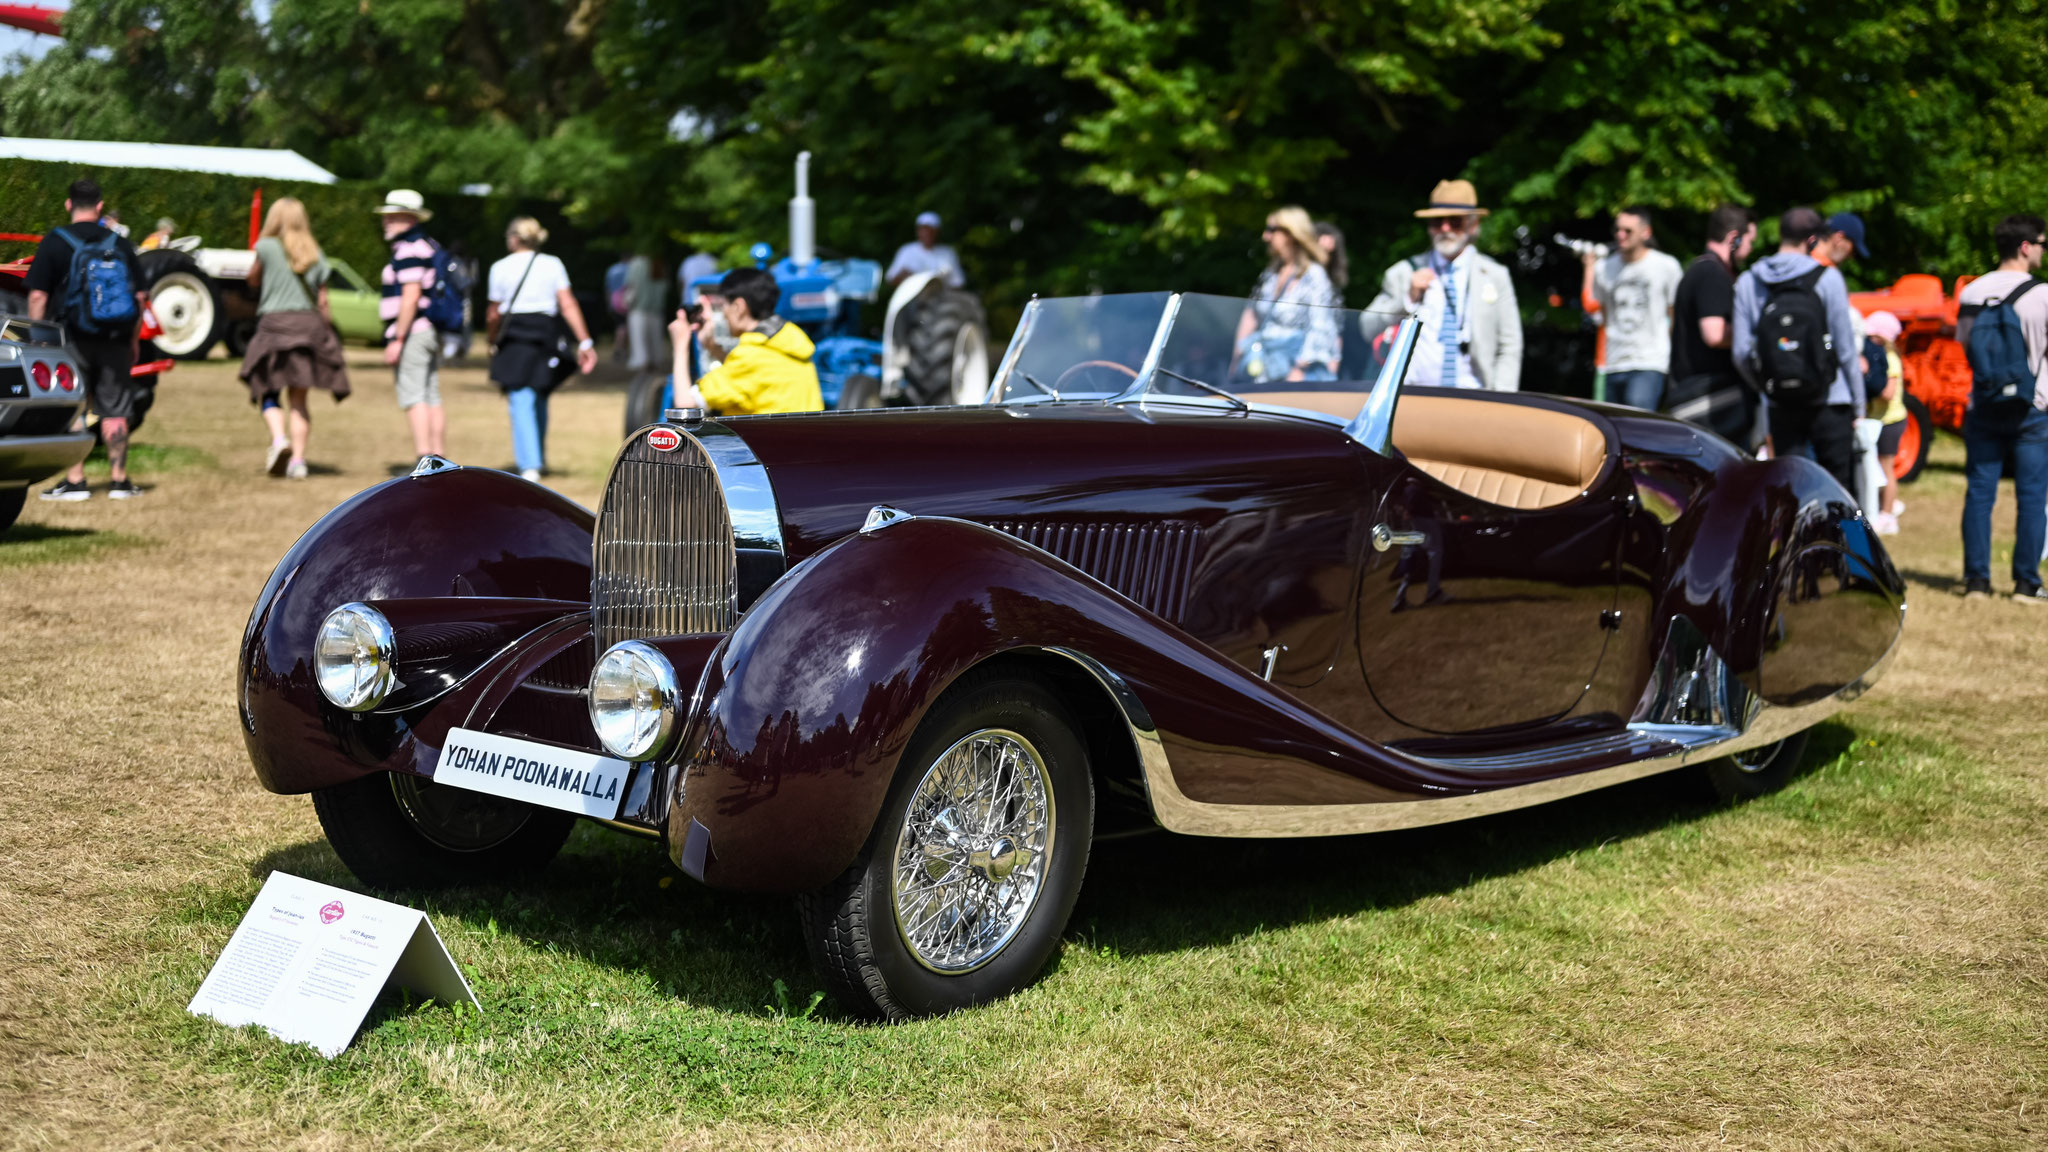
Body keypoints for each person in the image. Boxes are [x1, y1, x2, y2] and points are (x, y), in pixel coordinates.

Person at [28, 177, 148, 501]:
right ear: (100, 206)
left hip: (71, 339)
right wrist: (133, 339)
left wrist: (37, 338)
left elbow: (38, 296)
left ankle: (76, 481)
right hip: (116, 338)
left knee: (75, 406)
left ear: (68, 204)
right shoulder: (119, 242)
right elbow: (139, 297)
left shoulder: (55, 241)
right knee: (115, 408)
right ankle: (120, 482)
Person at [1732, 207, 1864, 494]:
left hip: (1780, 403)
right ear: (1813, 240)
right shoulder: (1828, 278)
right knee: (1840, 491)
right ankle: (1844, 527)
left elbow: (1741, 352)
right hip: (1831, 400)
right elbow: (1845, 350)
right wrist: (1859, 405)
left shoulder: (1748, 282)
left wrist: (1766, 386)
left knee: (1791, 490)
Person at [1954, 214, 2048, 602]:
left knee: (1980, 492)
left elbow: (1965, 346)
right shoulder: (2042, 294)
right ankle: (2026, 583)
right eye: (2042, 244)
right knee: (2032, 496)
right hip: (2032, 407)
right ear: (2025, 247)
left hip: (1984, 403)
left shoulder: (1971, 292)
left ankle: (1976, 581)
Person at [1360, 179, 1523, 391]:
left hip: (1475, 397)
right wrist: (1406, 300)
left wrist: (1502, 399)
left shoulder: (1495, 275)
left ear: (1473, 225)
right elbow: (1366, 327)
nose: (1445, 228)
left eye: (1455, 221)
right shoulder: (1404, 272)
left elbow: (1510, 344)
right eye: (1437, 221)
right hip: (1413, 396)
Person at [239, 197, 351, 480]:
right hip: (308, 327)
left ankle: (279, 441)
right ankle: (298, 462)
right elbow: (323, 301)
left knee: (267, 389)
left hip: (275, 326)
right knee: (299, 400)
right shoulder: (315, 251)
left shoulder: (266, 247)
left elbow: (253, 279)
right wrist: (327, 334)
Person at [486, 217, 598, 482]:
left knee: (520, 396)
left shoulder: (500, 267)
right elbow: (567, 304)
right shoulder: (552, 264)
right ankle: (536, 458)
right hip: (546, 332)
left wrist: (492, 340)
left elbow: (493, 313)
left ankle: (530, 464)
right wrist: (584, 341)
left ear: (515, 238)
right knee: (539, 393)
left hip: (515, 334)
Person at [667, 267, 823, 414]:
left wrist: (681, 345)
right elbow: (748, 376)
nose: (724, 314)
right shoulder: (789, 339)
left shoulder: (750, 357)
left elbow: (686, 405)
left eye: (724, 306)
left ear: (738, 307)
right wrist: (712, 347)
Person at [1666, 204, 1758, 443]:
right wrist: (1755, 335)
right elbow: (1715, 334)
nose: (1750, 249)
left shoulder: (1699, 269)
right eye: (1750, 241)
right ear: (1734, 239)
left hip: (1703, 397)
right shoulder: (1712, 273)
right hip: (1711, 402)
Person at [1581, 206, 1684, 410]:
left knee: (1637, 419)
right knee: (1611, 425)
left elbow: (1675, 315)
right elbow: (1600, 311)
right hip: (1614, 362)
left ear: (1646, 232)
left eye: (1628, 231)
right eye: (1617, 229)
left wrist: (1671, 357)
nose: (1620, 235)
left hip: (1649, 362)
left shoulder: (1666, 266)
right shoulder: (1604, 268)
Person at [1232, 206, 1341, 383]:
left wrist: (1299, 370)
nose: (1265, 236)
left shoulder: (1314, 275)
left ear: (1290, 234)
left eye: (1271, 230)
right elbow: (1252, 315)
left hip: (1295, 375)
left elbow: (1321, 328)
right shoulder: (1271, 274)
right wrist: (1237, 358)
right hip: (1266, 369)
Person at [375, 189, 446, 459]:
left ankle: (425, 458)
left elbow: (411, 296)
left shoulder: (409, 249)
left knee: (414, 396)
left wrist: (398, 338)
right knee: (431, 396)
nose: (386, 221)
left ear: (410, 219)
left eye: (393, 216)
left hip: (414, 330)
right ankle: (439, 459)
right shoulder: (429, 244)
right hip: (430, 329)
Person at [1862, 309, 1908, 535]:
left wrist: (1870, 380)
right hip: (1875, 420)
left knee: (1885, 467)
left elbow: (1888, 393)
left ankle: (1888, 515)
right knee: (1875, 467)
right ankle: (1887, 504)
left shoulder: (1890, 359)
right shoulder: (1878, 356)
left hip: (1890, 421)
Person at [886, 211, 965, 289]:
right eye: (924, 230)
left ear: (938, 232)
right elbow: (890, 279)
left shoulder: (948, 253)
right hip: (913, 295)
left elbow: (959, 282)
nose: (927, 234)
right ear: (918, 231)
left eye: (931, 230)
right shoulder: (906, 250)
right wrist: (903, 276)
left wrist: (938, 284)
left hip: (942, 295)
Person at [625, 252, 669, 381]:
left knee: (640, 342)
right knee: (654, 342)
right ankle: (653, 369)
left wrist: (627, 303)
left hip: (638, 310)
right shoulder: (659, 264)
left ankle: (643, 370)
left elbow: (631, 287)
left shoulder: (636, 264)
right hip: (656, 311)